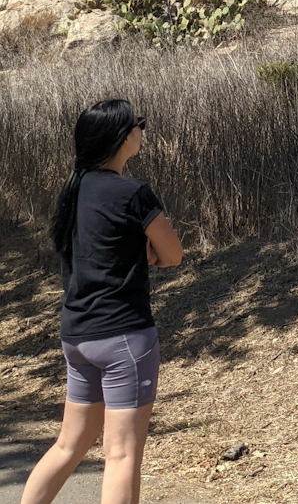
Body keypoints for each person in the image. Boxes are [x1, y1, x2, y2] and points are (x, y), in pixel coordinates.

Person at [20, 99, 183, 504]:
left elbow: (93, 254)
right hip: (124, 337)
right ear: (125, 136)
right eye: (139, 124)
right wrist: (144, 253)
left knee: (68, 445)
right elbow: (173, 254)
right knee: (122, 454)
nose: (142, 130)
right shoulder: (134, 193)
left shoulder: (73, 192)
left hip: (77, 336)